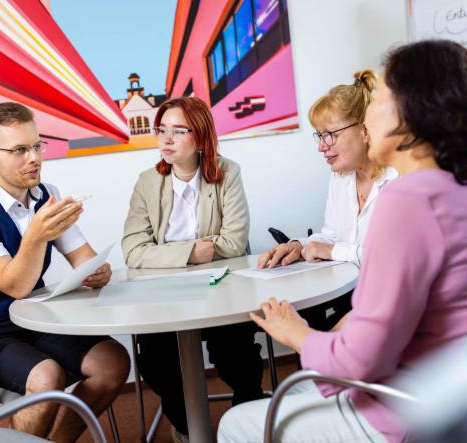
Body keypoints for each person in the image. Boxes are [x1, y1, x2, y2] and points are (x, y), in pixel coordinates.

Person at [218, 39, 467, 443]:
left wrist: (293, 330)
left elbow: (361, 360)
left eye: (378, 99)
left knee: (234, 424)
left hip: (409, 413)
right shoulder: (453, 188)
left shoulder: (406, 199)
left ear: (413, 111)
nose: (367, 111)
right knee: (300, 387)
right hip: (446, 399)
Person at [0, 102, 130, 442]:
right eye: (20, 150)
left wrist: (95, 271)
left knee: (112, 363)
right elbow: (15, 285)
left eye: (37, 146)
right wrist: (37, 234)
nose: (35, 158)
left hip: (31, 319)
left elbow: (83, 258)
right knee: (46, 376)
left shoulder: (46, 195)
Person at [122, 96, 264, 443]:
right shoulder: (147, 182)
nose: (165, 140)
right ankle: (187, 427)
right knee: (155, 363)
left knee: (239, 357)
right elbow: (132, 250)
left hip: (221, 288)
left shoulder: (227, 173)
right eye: (161, 131)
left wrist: (163, 252)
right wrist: (191, 252)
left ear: (200, 137)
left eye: (178, 131)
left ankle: (247, 425)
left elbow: (233, 242)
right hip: (165, 295)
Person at [257, 70, 397, 330]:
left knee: (311, 332)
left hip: (391, 304)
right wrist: (299, 245)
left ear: (364, 128)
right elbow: (333, 235)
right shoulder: (341, 177)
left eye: (329, 134)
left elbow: (394, 261)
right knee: (307, 319)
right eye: (319, 136)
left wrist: (333, 251)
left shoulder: (399, 178)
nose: (321, 146)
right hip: (354, 297)